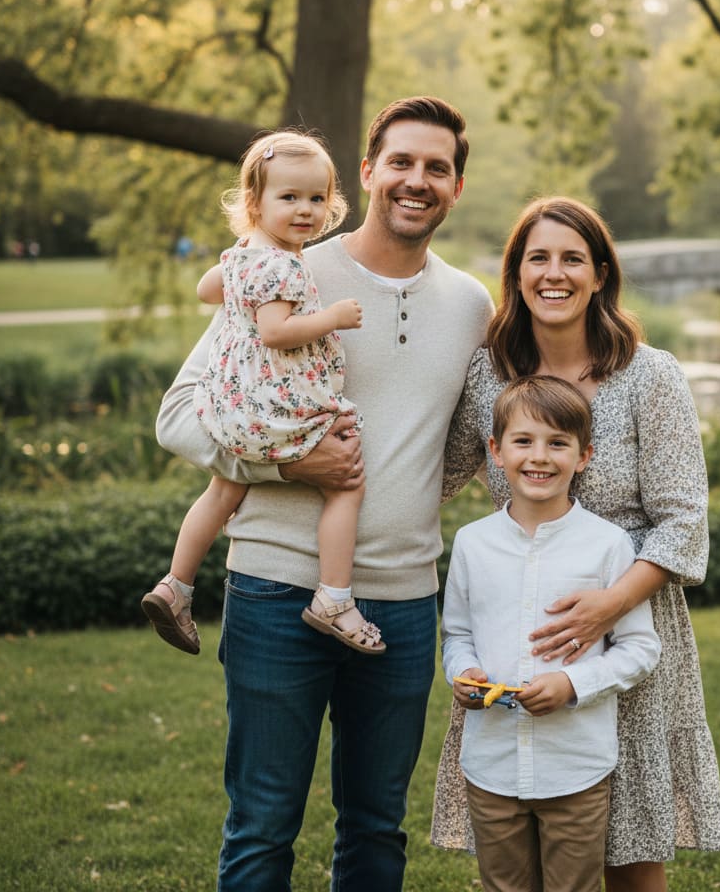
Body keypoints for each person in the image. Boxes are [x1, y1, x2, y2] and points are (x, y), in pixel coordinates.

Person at [155, 96, 493, 892]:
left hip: (403, 603)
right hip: (276, 589)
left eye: (436, 168)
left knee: (378, 830)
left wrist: (412, 501)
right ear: (369, 172)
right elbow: (181, 416)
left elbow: (463, 444)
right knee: (263, 826)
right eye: (401, 163)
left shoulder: (471, 304)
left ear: (456, 187)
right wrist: (290, 467)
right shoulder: (287, 267)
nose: (417, 180)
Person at [432, 196, 720, 892]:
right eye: (538, 258)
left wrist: (604, 608)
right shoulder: (486, 376)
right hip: (518, 628)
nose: (553, 273)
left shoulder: (650, 375)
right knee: (519, 843)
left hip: (628, 625)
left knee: (629, 845)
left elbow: (684, 520)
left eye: (571, 259)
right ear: (517, 272)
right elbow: (432, 476)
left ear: (600, 274)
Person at [142, 129, 384, 657]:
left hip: (233, 407)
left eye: (316, 198)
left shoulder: (244, 255)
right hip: (277, 407)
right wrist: (332, 318)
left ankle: (175, 585)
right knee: (347, 484)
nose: (306, 211)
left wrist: (238, 277)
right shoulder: (283, 264)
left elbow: (208, 290)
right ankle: (334, 599)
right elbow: (276, 332)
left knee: (223, 489)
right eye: (289, 197)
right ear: (255, 203)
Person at [443, 375, 662, 892]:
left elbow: (640, 647)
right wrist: (463, 672)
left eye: (557, 443)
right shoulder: (472, 544)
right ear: (496, 452)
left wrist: (573, 684)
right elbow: (456, 634)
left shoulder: (608, 547)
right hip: (491, 766)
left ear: (583, 456)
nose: (539, 457)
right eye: (523, 441)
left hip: (577, 769)